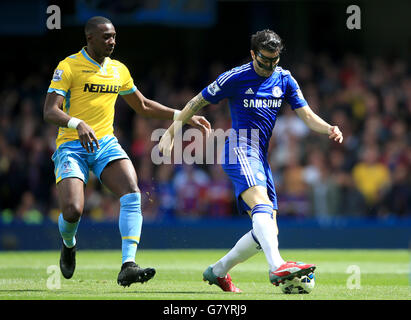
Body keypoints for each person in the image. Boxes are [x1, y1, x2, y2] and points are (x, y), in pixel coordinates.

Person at [159, 29, 343, 292]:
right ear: (253, 54)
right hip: (239, 148)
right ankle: (276, 265)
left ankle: (218, 271)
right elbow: (195, 102)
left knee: (267, 230)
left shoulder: (285, 79)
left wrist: (329, 128)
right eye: (264, 60)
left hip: (260, 158)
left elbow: (307, 115)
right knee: (262, 207)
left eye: (274, 60)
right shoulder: (235, 77)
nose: (269, 66)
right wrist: (170, 132)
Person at [43, 16, 210, 287]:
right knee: (73, 210)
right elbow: (50, 110)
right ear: (90, 38)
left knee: (132, 192)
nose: (112, 41)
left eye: (114, 36)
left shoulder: (118, 70)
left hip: (104, 144)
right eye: (106, 37)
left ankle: (128, 265)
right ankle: (69, 242)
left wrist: (184, 116)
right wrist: (77, 122)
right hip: (71, 145)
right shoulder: (69, 66)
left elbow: (142, 105)